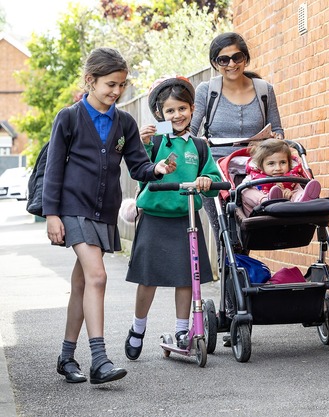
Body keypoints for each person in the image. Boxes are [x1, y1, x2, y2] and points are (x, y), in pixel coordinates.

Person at [43, 47, 175, 384]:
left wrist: (156, 168)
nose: (117, 92)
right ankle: (99, 359)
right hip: (72, 207)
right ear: (91, 81)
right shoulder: (69, 117)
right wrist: (51, 214)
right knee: (98, 277)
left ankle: (66, 356)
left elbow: (137, 165)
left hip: (103, 210)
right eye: (110, 85)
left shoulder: (124, 122)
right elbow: (54, 168)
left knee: (81, 283)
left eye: (121, 85)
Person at [124, 76, 222, 360]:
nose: (176, 115)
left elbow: (213, 173)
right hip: (154, 216)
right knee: (148, 278)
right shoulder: (155, 141)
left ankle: (182, 330)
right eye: (170, 111)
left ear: (192, 109)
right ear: (161, 114)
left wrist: (206, 178)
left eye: (182, 109)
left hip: (186, 216)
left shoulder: (199, 145)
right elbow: (138, 167)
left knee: (186, 278)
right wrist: (143, 145)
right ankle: (138, 327)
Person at [190, 32, 285, 261]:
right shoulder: (208, 90)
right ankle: (231, 293)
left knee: (246, 235)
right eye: (224, 59)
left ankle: (243, 289)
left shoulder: (264, 90)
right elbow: (190, 132)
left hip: (254, 173)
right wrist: (198, 146)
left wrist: (274, 137)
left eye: (237, 57)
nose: (231, 64)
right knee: (226, 237)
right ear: (215, 63)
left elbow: (279, 132)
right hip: (217, 173)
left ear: (245, 58)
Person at [241, 139, 321, 216]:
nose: (278, 168)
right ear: (261, 166)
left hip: (289, 212)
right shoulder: (253, 177)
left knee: (298, 191)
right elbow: (241, 190)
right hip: (260, 212)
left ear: (289, 163)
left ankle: (303, 200)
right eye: (271, 163)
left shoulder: (292, 179)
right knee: (246, 191)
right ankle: (267, 201)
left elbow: (297, 190)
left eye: (283, 162)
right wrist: (266, 197)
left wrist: (290, 195)